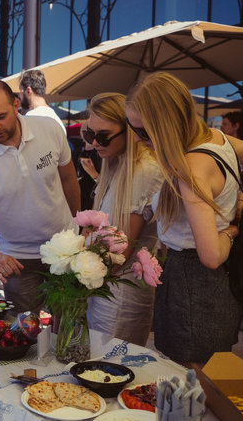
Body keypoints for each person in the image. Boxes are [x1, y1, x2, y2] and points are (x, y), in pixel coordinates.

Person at [125, 72, 243, 366]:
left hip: (195, 286)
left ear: (168, 126)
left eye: (144, 132)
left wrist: (233, 227)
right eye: (132, 128)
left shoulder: (192, 167)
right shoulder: (217, 139)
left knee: (190, 381)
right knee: (201, 375)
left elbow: (210, 256)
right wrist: (240, 202)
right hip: (207, 286)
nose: (137, 140)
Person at [0, 79, 80, 315]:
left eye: (0, 116)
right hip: (17, 260)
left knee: (68, 325)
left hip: (65, 248)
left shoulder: (50, 129)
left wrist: (77, 226)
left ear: (16, 105)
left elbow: (68, 180)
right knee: (23, 333)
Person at [80, 93, 164, 346]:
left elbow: (120, 252)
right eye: (89, 135)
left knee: (108, 371)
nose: (94, 143)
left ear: (129, 129)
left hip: (120, 296)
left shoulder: (143, 170)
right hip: (105, 289)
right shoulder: (118, 166)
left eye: (103, 135)